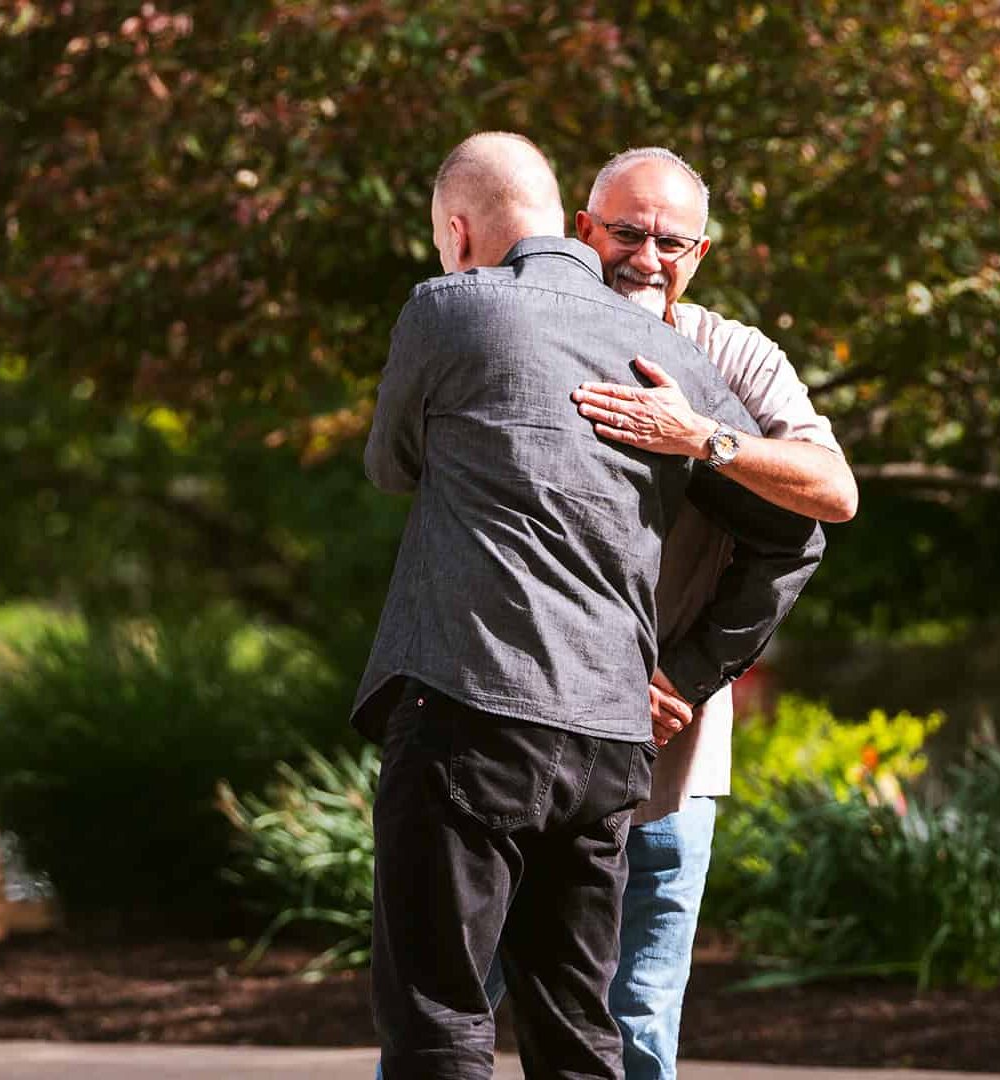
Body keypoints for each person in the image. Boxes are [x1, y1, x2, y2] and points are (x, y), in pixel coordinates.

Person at [355, 132, 827, 1080]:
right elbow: (794, 536)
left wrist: (687, 673)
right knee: (582, 1032)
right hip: (608, 747)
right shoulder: (666, 358)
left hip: (481, 712)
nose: (649, 257)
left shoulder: (452, 309)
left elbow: (392, 466)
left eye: (673, 242)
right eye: (629, 234)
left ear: (457, 235)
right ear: (580, 225)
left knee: (443, 1018)